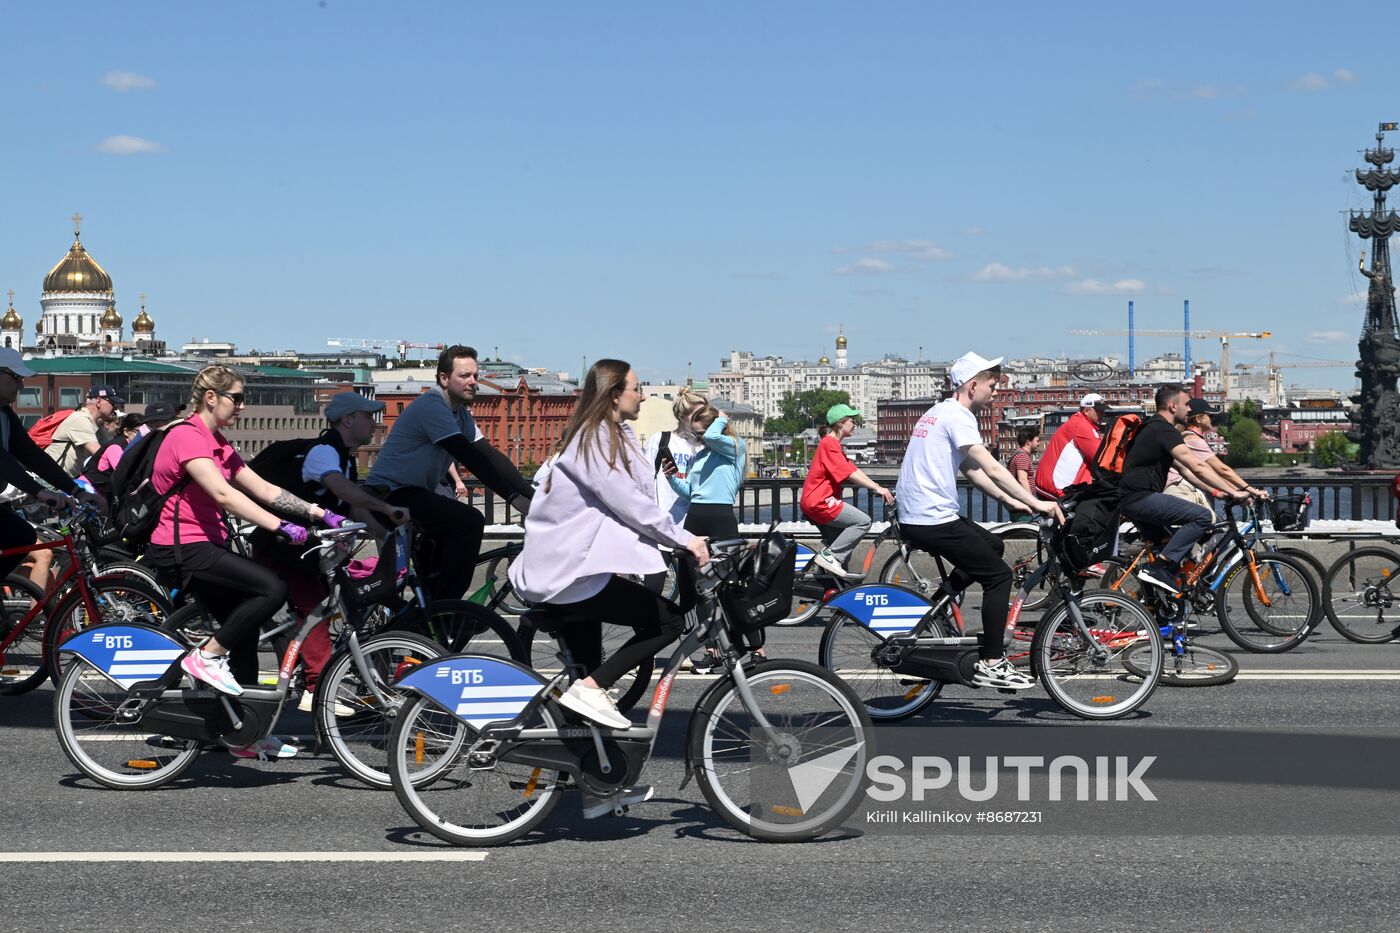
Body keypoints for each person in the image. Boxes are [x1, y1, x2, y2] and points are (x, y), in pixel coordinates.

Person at [150, 365, 343, 760]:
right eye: (236, 398)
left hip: (207, 544)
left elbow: (264, 489)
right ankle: (204, 656)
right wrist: (280, 528)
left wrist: (318, 513)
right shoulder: (186, 436)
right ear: (210, 398)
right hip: (182, 547)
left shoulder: (216, 442)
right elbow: (223, 494)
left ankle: (243, 732)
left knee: (247, 628)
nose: (242, 405)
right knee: (274, 588)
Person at [510, 359, 710, 732]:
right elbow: (631, 504)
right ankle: (589, 690)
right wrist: (685, 540)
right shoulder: (595, 439)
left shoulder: (610, 433)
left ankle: (579, 779)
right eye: (637, 389)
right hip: (567, 573)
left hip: (577, 571)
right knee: (669, 622)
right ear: (615, 394)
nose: (644, 396)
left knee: (584, 700)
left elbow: (635, 500)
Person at [895, 351, 1064, 690]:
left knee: (993, 544)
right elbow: (992, 467)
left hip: (921, 514)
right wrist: (1038, 503)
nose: (996, 392)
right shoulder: (958, 416)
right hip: (930, 517)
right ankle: (992, 661)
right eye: (992, 384)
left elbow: (971, 470)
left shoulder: (938, 411)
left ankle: (940, 604)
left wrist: (1008, 499)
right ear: (973, 386)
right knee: (999, 576)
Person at [251, 391, 410, 714]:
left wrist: (386, 535)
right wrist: (388, 508)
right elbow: (342, 489)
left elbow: (353, 508)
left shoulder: (345, 457)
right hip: (285, 545)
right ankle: (316, 688)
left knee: (325, 602)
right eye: (368, 416)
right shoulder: (324, 452)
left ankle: (315, 672)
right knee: (315, 606)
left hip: (306, 548)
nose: (373, 422)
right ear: (347, 420)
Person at [365, 345, 534, 600]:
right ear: (444, 379)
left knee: (435, 567)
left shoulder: (461, 414)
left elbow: (491, 457)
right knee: (469, 521)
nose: (473, 382)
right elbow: (469, 457)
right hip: (390, 493)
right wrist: (513, 499)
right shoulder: (433, 405)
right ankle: (450, 610)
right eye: (464, 376)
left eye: (475, 376)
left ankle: (427, 621)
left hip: (415, 494)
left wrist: (533, 496)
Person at [1117, 384, 1251, 596]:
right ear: (1172, 406)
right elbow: (1196, 465)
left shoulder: (1154, 428)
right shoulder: (1163, 429)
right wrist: (1236, 492)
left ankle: (1163, 610)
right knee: (1202, 517)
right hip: (1139, 498)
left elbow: (1187, 472)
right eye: (1186, 404)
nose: (1189, 410)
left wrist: (1218, 492)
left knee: (1171, 546)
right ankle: (1157, 568)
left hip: (1135, 499)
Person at [0, 349, 101, 582]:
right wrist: (38, 491)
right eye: (16, 378)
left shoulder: (4, 413)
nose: (22, 385)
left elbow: (32, 455)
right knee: (20, 534)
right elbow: (2, 461)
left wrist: (74, 490)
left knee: (20, 536)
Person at [663, 402, 749, 672]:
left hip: (721, 519)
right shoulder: (702, 455)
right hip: (696, 518)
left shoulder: (734, 447)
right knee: (700, 590)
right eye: (697, 435)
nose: (699, 439)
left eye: (701, 434)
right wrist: (671, 477)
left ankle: (745, 648)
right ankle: (714, 650)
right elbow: (690, 492)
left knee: (726, 588)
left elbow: (713, 436)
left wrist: (720, 420)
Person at [799, 404, 894, 578]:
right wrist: (877, 488)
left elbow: (852, 469)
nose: (855, 423)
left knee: (843, 554)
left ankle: (830, 587)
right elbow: (850, 474)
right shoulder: (829, 443)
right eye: (852, 420)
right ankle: (830, 556)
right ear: (840, 423)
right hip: (820, 501)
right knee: (863, 522)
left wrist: (878, 487)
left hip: (817, 501)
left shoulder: (832, 444)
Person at [1163, 398, 1267, 509]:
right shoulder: (1193, 440)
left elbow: (1214, 474)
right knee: (1206, 521)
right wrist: (1252, 490)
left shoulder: (1187, 436)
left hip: (1185, 489)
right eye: (1210, 416)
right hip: (1182, 490)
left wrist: (1238, 491)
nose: (1213, 419)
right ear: (1198, 419)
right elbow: (1222, 470)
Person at [1034, 393, 1107, 500]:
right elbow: (1101, 458)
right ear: (1086, 411)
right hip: (1058, 487)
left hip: (1051, 485)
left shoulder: (1079, 422)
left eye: (1102, 411)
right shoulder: (1082, 426)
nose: (1101, 414)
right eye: (1098, 411)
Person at [47, 385, 125, 477]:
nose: (116, 408)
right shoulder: (81, 419)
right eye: (112, 403)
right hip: (48, 477)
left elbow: (109, 447)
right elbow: (100, 453)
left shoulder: (97, 424)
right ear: (99, 402)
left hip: (62, 478)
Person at [1005, 426, 1041, 520]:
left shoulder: (1018, 453)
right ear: (1028, 442)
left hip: (1017, 502)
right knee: (1026, 531)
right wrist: (1032, 502)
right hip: (1021, 504)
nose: (1039, 444)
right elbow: (1022, 480)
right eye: (1037, 441)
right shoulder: (1023, 457)